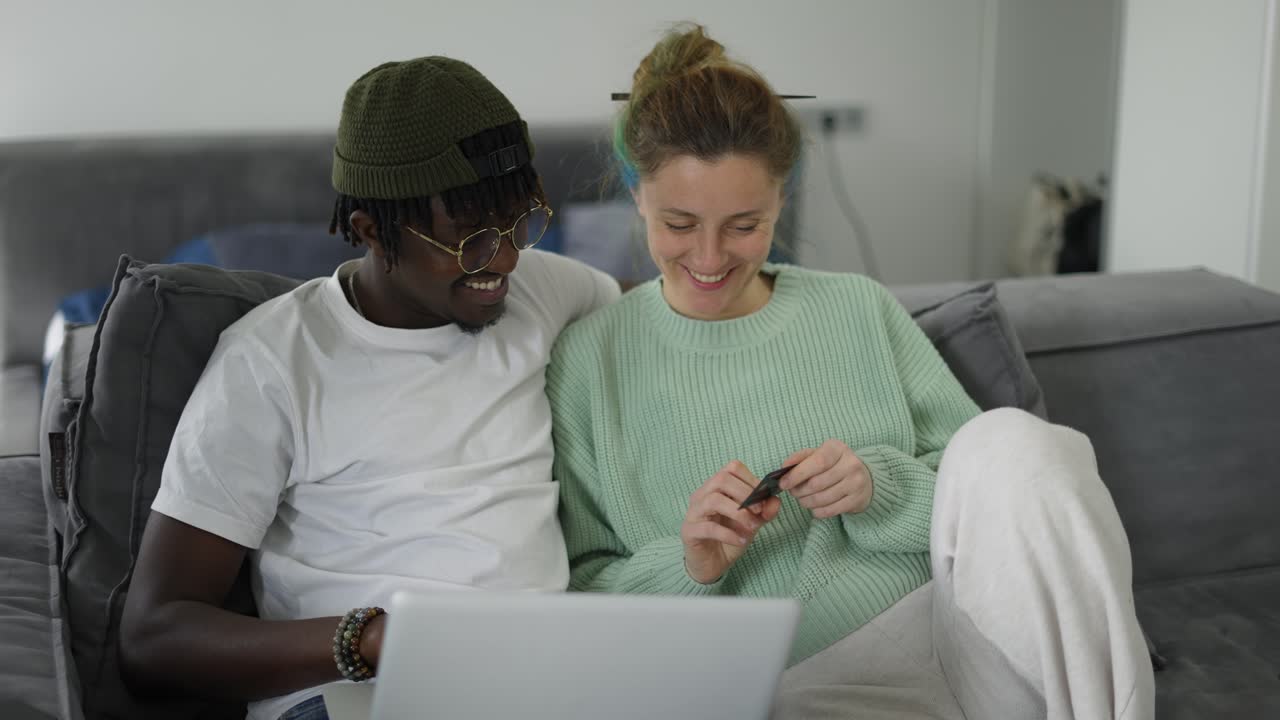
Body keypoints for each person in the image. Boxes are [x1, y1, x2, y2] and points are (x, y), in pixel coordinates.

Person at [548, 24, 1153, 720]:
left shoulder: (857, 307)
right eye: (680, 224)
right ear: (638, 198)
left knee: (1019, 443)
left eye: (744, 225)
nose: (710, 258)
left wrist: (878, 488)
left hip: (957, 628)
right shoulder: (588, 362)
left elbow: (988, 509)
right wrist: (692, 566)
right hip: (788, 677)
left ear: (780, 201)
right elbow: (579, 596)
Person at [119, 57, 619, 720]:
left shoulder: (548, 290)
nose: (500, 259)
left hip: (540, 688)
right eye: (466, 237)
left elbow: (663, 325)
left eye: (518, 221)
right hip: (357, 696)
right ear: (369, 232)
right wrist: (373, 639)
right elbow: (153, 636)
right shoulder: (271, 363)